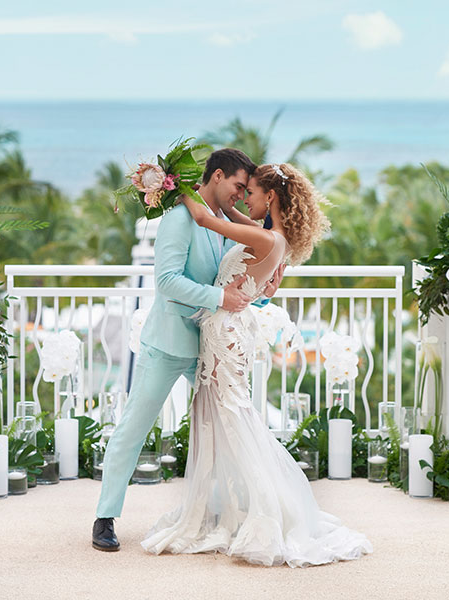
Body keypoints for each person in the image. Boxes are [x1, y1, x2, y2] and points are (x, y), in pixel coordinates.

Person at [141, 163, 373, 567]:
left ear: (271, 198)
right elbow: (231, 217)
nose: (244, 197)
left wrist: (170, 183)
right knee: (214, 412)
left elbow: (201, 216)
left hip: (226, 331)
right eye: (242, 190)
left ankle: (264, 511)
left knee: (231, 415)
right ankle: (226, 507)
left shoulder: (267, 240)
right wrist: (222, 203)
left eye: (251, 192)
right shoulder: (272, 238)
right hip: (225, 329)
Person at [92, 149, 284, 551]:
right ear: (216, 176)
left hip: (210, 348)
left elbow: (235, 286)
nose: (240, 195)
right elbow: (167, 281)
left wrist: (261, 293)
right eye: (237, 186)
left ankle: (221, 511)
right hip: (167, 344)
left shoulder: (220, 224)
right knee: (133, 428)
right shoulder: (180, 218)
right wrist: (219, 298)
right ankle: (105, 517)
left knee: (220, 430)